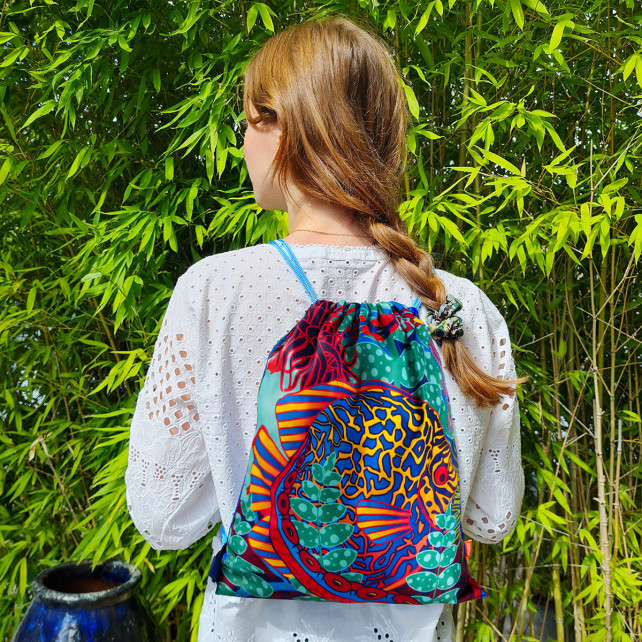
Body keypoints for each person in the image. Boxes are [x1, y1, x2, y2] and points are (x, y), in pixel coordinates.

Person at [125, 16, 525, 642]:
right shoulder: (462, 307)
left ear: (281, 126)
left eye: (245, 122)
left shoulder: (213, 292)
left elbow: (164, 518)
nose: (242, 143)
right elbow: (492, 518)